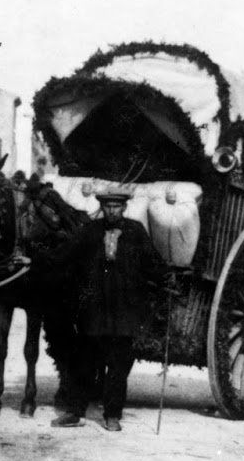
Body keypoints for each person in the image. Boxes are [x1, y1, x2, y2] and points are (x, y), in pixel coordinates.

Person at [48, 185, 164, 431]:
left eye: (117, 206)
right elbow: (65, 255)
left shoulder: (136, 231)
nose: (112, 210)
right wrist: (35, 261)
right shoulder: (89, 231)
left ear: (124, 207)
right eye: (108, 206)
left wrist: (169, 278)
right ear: (102, 207)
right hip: (94, 311)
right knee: (84, 364)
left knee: (119, 367)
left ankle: (112, 415)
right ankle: (75, 412)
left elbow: (153, 263)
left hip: (124, 311)